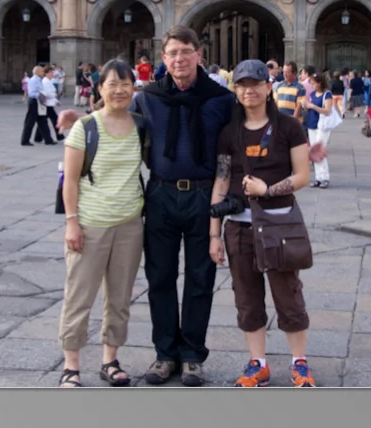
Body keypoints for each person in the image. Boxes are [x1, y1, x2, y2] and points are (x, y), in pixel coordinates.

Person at [130, 26, 234, 387]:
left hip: (204, 197)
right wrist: (80, 126)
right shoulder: (148, 97)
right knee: (159, 276)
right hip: (160, 195)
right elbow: (118, 128)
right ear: (163, 58)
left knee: (200, 277)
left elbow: (236, 145)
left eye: (186, 51)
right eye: (172, 52)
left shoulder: (221, 99)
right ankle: (165, 354)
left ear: (199, 55)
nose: (179, 59)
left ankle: (192, 355)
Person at [210, 59, 316, 388]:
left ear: (268, 87)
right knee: (246, 297)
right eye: (241, 85)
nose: (248, 91)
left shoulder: (288, 127)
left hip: (279, 225)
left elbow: (302, 176)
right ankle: (259, 364)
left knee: (288, 294)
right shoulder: (230, 132)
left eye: (255, 84)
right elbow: (221, 181)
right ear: (235, 90)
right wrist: (214, 233)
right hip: (239, 227)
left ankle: (299, 363)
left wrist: (268, 190)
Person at [57, 60, 148, 387]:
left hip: (129, 224)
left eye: (126, 84)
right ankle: (71, 365)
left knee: (120, 297)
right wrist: (72, 223)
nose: (120, 90)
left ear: (134, 88)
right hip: (91, 223)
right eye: (112, 84)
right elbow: (69, 180)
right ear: (100, 88)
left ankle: (110, 359)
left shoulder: (140, 125)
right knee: (79, 296)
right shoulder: (86, 128)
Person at [304, 72, 336, 188]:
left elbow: (327, 111)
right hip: (312, 124)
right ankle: (318, 177)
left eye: (313, 83)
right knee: (314, 151)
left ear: (319, 83)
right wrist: (306, 105)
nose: (312, 86)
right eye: (311, 83)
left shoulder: (327, 94)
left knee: (319, 150)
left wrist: (313, 107)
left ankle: (325, 177)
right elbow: (310, 108)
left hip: (322, 125)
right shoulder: (312, 94)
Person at [21, 66, 50, 146]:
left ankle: (48, 139)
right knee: (30, 122)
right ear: (37, 72)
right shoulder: (33, 80)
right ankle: (25, 140)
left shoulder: (39, 80)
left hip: (40, 101)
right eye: (41, 71)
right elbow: (32, 93)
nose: (43, 72)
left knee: (42, 120)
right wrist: (42, 95)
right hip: (34, 102)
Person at [39, 65, 62, 141]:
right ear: (46, 73)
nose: (53, 74)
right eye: (51, 72)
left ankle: (38, 137)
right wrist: (54, 95)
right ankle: (60, 136)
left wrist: (56, 101)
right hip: (47, 104)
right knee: (55, 120)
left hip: (49, 104)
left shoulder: (48, 81)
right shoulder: (45, 81)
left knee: (43, 121)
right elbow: (47, 94)